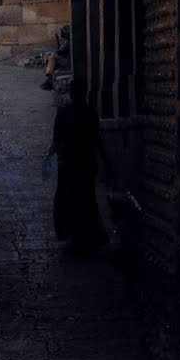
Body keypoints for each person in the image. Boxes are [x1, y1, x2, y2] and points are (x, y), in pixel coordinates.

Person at [45, 78, 110, 254]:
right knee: (85, 199)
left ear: (72, 93)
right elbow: (96, 139)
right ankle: (84, 237)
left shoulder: (64, 113)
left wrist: (54, 155)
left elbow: (57, 138)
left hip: (69, 162)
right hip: (85, 162)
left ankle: (73, 236)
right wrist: (105, 160)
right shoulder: (90, 113)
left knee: (69, 198)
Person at [40, 23, 71, 90]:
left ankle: (49, 73)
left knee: (52, 57)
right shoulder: (67, 41)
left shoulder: (68, 42)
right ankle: (49, 76)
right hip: (66, 59)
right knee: (51, 56)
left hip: (67, 61)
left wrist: (53, 54)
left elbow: (60, 51)